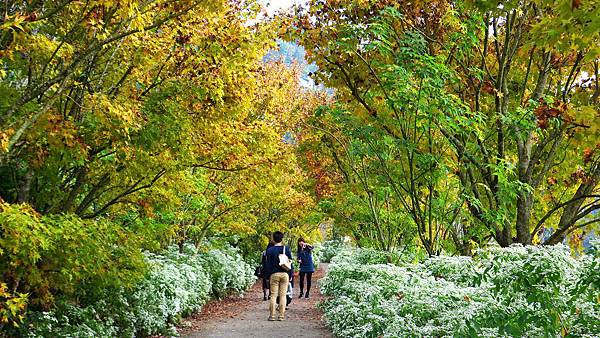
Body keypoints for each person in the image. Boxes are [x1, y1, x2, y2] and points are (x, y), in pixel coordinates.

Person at [264, 231, 292, 321]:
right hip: (285, 274)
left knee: (273, 295)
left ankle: (272, 316)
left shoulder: (269, 250)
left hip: (274, 274)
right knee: (283, 295)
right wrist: (290, 274)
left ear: (273, 239)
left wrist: (267, 277)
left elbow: (267, 265)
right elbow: (290, 262)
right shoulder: (286, 249)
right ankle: (281, 316)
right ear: (282, 239)